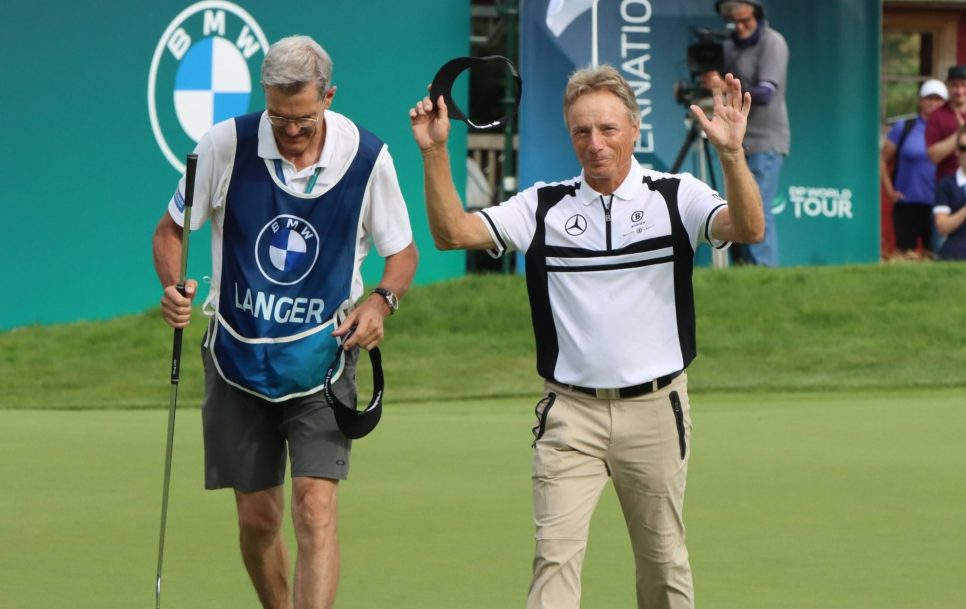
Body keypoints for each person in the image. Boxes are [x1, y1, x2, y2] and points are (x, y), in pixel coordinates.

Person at [409, 66, 763, 609]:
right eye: (581, 132)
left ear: (634, 130)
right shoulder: (542, 205)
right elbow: (452, 233)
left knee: (663, 563)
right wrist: (435, 153)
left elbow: (747, 229)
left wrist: (733, 156)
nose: (595, 144)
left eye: (607, 129)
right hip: (570, 414)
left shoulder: (676, 196)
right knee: (554, 558)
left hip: (656, 409)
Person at [152, 35, 418, 609]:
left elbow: (403, 255)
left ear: (329, 96)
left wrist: (380, 303)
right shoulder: (225, 145)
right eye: (277, 116)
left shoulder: (368, 157)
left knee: (314, 512)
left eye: (302, 118)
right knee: (257, 520)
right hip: (237, 361)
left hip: (323, 360)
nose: (290, 130)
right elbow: (171, 230)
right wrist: (172, 287)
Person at [702, 0, 788, 266]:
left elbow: (766, 92)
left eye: (746, 22)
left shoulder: (773, 42)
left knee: (757, 209)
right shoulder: (729, 46)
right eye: (734, 23)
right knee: (737, 208)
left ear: (758, 15)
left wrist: (724, 88)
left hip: (765, 140)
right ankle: (743, 269)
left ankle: (763, 272)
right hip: (735, 141)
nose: (740, 28)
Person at [880, 79, 948, 259]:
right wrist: (890, 191)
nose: (932, 103)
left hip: (938, 205)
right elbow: (881, 159)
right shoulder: (905, 127)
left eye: (938, 99)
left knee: (935, 256)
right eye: (928, 98)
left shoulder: (949, 131)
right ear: (920, 100)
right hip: (906, 203)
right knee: (903, 255)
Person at [926, 65, 966, 180]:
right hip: (946, 183)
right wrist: (960, 132)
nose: (959, 91)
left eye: (964, 85)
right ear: (948, 86)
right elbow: (933, 156)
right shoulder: (937, 115)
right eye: (955, 85)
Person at [932, 129, 966, 260]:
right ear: (957, 151)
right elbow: (942, 227)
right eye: (964, 148)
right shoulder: (946, 184)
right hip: (955, 253)